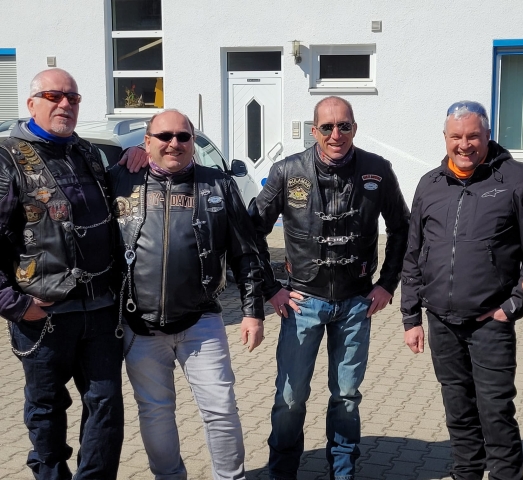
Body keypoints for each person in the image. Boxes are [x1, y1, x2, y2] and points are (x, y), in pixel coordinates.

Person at [249, 96, 410, 480]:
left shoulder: (377, 169)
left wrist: (387, 284)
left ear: (355, 128)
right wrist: (271, 289)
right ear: (314, 131)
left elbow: (402, 227)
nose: (336, 134)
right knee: (290, 399)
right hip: (302, 302)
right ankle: (282, 473)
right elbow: (250, 230)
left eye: (344, 126)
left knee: (347, 397)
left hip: (356, 303)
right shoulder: (288, 171)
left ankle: (343, 472)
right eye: (327, 127)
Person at [108, 109, 265, 480]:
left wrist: (252, 311)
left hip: (202, 321)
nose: (174, 143)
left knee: (221, 409)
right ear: (147, 142)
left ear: (193, 142)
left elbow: (246, 252)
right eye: (164, 136)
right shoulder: (119, 180)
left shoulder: (218, 184)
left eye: (183, 136)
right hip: (139, 325)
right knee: (155, 411)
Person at [402, 101, 523, 480]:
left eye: (473, 136)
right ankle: (465, 473)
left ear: (488, 135)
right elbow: (414, 252)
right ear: (445, 138)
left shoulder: (519, 179)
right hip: (441, 321)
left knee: (495, 411)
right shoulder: (430, 184)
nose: (464, 145)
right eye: (456, 137)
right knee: (458, 411)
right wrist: (411, 317)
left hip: (490, 322)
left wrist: (512, 307)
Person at [0, 68, 124, 479]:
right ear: (32, 103)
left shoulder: (87, 151)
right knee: (46, 408)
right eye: (54, 96)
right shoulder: (7, 157)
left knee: (106, 405)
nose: (65, 104)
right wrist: (13, 304)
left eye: (73, 98)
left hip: (100, 309)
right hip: (43, 314)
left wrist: (138, 157)